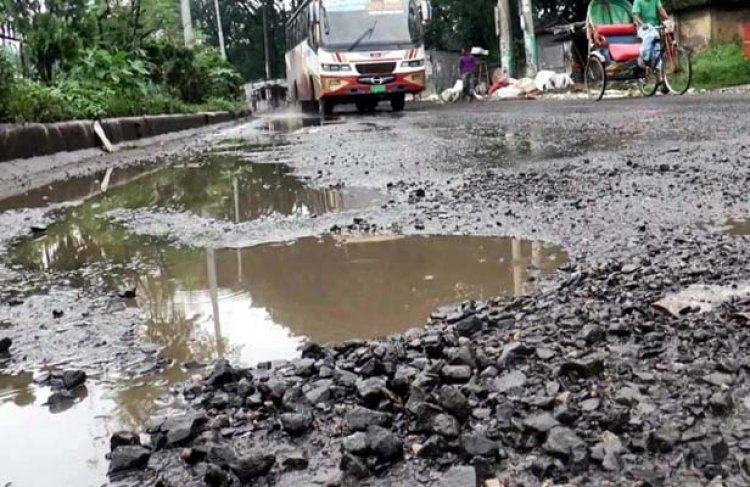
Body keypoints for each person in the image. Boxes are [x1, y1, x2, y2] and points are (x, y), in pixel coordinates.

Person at [632, 0, 669, 69]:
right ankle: (644, 56)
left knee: (658, 43)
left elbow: (661, 9)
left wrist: (667, 19)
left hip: (654, 27)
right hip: (642, 28)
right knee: (651, 36)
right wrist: (643, 24)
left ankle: (658, 66)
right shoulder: (637, 1)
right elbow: (635, 15)